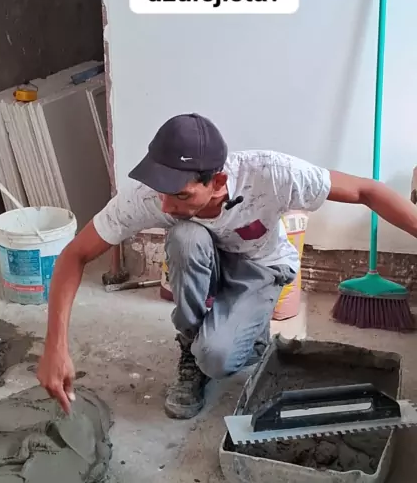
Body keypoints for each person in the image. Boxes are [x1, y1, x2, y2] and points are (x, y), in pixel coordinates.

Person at [37, 113, 417, 419]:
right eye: (162, 192)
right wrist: (55, 345)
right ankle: (190, 348)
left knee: (217, 358)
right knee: (185, 237)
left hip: (260, 267)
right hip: (204, 261)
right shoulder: (150, 198)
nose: (165, 206)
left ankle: (244, 338)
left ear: (217, 181)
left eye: (181, 194)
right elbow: (75, 254)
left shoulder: (270, 174)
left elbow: (367, 191)